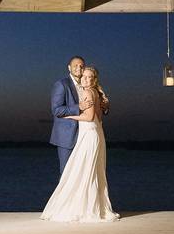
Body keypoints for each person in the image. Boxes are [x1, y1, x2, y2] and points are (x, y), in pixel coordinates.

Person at [41, 66, 119, 223]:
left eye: (90, 77)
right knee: (88, 171)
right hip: (94, 134)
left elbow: (89, 117)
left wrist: (70, 117)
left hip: (89, 135)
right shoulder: (95, 92)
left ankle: (84, 208)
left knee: (82, 171)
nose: (86, 79)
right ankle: (91, 206)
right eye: (84, 76)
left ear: (94, 79)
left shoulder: (88, 92)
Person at [48, 56, 109, 175]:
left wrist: (105, 107)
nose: (78, 68)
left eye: (81, 66)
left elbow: (98, 108)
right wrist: (78, 107)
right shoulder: (61, 84)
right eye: (75, 65)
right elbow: (56, 110)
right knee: (67, 175)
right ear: (69, 68)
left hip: (85, 136)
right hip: (67, 137)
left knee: (83, 175)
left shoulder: (88, 85)